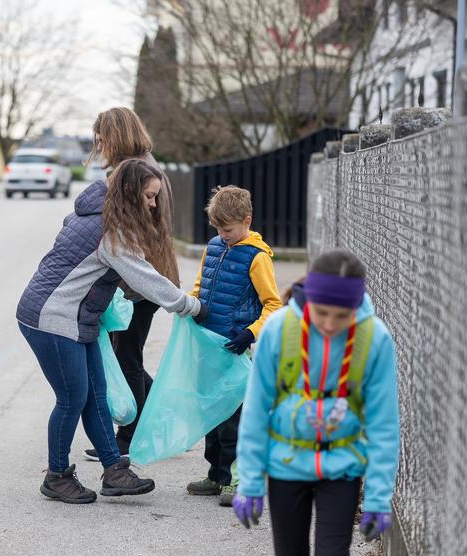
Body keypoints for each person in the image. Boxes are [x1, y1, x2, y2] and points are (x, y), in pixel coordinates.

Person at [17, 158, 203, 504]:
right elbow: (144, 277)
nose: (152, 204)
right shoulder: (111, 231)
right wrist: (189, 305)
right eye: (149, 197)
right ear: (130, 192)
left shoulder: (96, 215)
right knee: (73, 398)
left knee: (96, 393)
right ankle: (56, 476)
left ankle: (114, 470)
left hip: (74, 316)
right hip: (53, 318)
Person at [233, 249, 400, 556]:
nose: (329, 324)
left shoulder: (374, 340)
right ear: (309, 300)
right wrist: (251, 482)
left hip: (340, 468)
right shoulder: (280, 330)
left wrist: (377, 497)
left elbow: (385, 425)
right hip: (287, 465)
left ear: (356, 309)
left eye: (341, 317)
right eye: (321, 313)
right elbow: (257, 410)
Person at [79, 107, 181, 462]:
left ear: (116, 134)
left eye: (102, 137)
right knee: (128, 355)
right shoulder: (143, 165)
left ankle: (129, 438)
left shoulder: (136, 171)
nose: (100, 144)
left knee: (128, 358)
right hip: (144, 277)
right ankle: (163, 420)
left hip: (138, 281)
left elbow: (128, 233)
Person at [185, 185, 281, 506]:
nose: (222, 234)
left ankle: (234, 480)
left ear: (247, 221)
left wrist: (251, 333)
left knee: (233, 419)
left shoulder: (257, 258)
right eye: (218, 228)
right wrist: (193, 308)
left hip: (236, 349)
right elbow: (201, 285)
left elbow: (272, 304)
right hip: (209, 347)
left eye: (227, 229)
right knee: (211, 413)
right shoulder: (213, 247)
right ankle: (215, 474)